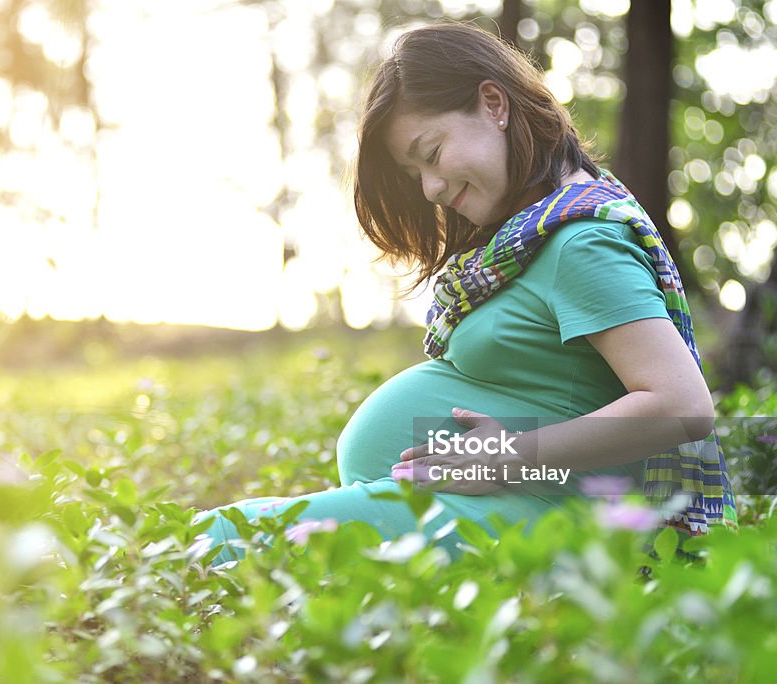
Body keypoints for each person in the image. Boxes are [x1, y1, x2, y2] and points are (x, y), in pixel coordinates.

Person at [190, 21, 737, 567]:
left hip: (549, 525)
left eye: (430, 153)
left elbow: (682, 407)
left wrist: (509, 456)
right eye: (415, 173)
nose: (429, 188)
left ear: (493, 104)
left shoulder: (580, 242)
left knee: (220, 539)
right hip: (513, 511)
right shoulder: (530, 238)